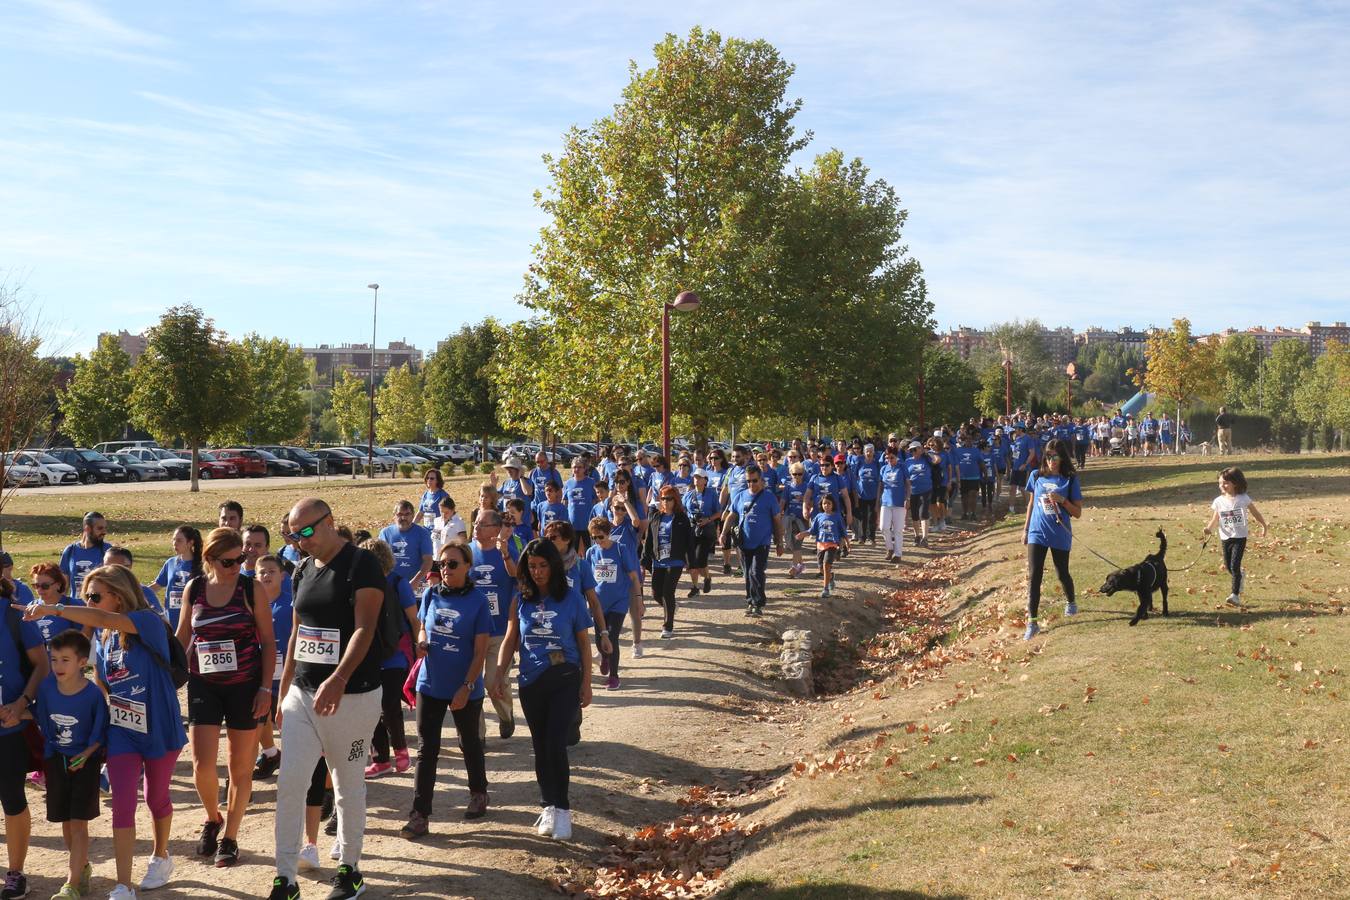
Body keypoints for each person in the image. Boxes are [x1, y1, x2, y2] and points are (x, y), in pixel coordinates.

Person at [22, 564, 184, 898]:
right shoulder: (105, 636)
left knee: (156, 799)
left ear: (119, 594)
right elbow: (104, 683)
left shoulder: (147, 621)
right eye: (86, 597)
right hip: (123, 731)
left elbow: (107, 620)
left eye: (95, 597)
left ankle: (161, 855)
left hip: (160, 726)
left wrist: (54, 608)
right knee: (123, 803)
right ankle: (124, 884)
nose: (91, 604)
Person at [268, 499, 386, 900]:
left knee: (346, 785)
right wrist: (283, 692)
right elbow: (299, 634)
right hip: (303, 695)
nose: (300, 542)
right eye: (293, 535)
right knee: (290, 785)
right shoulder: (301, 568)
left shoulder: (361, 565)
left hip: (352, 696)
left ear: (330, 523)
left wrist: (339, 678)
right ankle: (285, 878)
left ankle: (350, 870)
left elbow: (365, 629)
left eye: (307, 532)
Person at [175, 527, 276, 868]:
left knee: (240, 768)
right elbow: (182, 636)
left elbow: (269, 641)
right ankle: (212, 817)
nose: (238, 566)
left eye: (242, 559)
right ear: (210, 559)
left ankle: (231, 837)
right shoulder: (196, 588)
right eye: (229, 561)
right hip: (203, 684)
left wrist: (265, 689)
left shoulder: (251, 588)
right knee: (202, 766)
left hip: (244, 686)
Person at [489, 539, 593, 842]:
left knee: (555, 744)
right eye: (532, 566)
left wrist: (585, 683)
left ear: (554, 566)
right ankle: (547, 805)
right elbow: (510, 639)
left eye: (543, 565)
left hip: (565, 675)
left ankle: (563, 809)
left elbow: (584, 644)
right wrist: (498, 675)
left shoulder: (571, 598)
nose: (537, 572)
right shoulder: (520, 599)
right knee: (539, 746)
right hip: (531, 681)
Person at [403, 542, 492, 839]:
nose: (445, 569)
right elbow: (422, 626)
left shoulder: (478, 601)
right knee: (426, 749)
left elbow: (480, 652)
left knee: (469, 743)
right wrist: (423, 641)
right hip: (431, 683)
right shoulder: (430, 594)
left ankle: (479, 792)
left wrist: (466, 687)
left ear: (468, 566)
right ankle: (420, 814)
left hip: (464, 685)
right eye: (442, 564)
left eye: (453, 564)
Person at [29, 629, 106, 900]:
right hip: (56, 761)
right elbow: (41, 717)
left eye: (65, 660)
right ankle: (82, 868)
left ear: (82, 662)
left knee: (78, 823)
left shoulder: (93, 695)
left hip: (85, 761)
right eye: (54, 659)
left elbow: (100, 733)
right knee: (64, 821)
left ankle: (71, 884)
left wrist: (86, 754)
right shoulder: (48, 686)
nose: (58, 666)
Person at [0, 573, 50, 900]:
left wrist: (22, 703)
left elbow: (42, 666)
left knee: (12, 797)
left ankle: (16, 873)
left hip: (9, 726)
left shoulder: (12, 613)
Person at [360, 539, 420, 779]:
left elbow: (414, 620)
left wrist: (418, 651)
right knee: (372, 708)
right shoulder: (360, 584)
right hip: (369, 654)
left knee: (390, 706)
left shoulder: (397, 583)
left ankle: (401, 751)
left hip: (395, 654)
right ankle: (381, 760)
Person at [1021, 439, 1083, 640]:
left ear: (1062, 457)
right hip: (1037, 533)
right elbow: (1031, 504)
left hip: (1060, 533)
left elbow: (1078, 512)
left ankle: (1071, 602)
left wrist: (1063, 500)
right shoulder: (1036, 475)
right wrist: (1025, 529)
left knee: (1062, 572)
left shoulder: (1070, 479)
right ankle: (1032, 622)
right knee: (1034, 576)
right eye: (1048, 456)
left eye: (1055, 456)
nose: (1051, 460)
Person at [722, 464, 785, 617]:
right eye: (748, 481)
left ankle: (758, 603)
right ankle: (750, 601)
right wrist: (723, 533)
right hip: (744, 542)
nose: (751, 484)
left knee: (756, 572)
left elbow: (777, 521)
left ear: (761, 480)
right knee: (747, 573)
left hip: (762, 542)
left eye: (754, 480)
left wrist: (779, 542)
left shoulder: (769, 497)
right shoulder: (740, 495)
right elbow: (732, 516)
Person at [586, 518, 641, 689]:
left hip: (618, 602)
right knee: (598, 639)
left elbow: (633, 576)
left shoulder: (620, 549)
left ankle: (614, 676)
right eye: (594, 537)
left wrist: (639, 599)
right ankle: (604, 657)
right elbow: (587, 580)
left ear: (608, 534)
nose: (598, 541)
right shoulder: (591, 552)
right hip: (598, 604)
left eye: (600, 537)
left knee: (612, 637)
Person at [1203, 467, 1268, 608]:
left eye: (1226, 483)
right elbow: (1215, 518)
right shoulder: (1218, 501)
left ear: (1235, 483)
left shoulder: (1243, 498)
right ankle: (1240, 575)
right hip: (1225, 537)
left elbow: (1255, 513)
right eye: (1220, 483)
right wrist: (1208, 529)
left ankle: (1235, 595)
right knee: (1228, 566)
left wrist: (1263, 525)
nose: (1222, 486)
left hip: (1240, 537)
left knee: (1234, 565)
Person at [254, 554, 292, 780]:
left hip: (286, 675)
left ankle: (294, 768)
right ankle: (270, 754)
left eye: (271, 571)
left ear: (282, 575)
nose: (266, 575)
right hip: (259, 675)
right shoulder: (251, 605)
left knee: (286, 723)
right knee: (260, 720)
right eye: (262, 572)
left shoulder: (290, 604)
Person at [641, 486, 692, 639]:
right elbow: (648, 540)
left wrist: (691, 562)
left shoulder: (682, 518)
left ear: (675, 500)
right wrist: (644, 561)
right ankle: (671, 607)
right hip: (658, 561)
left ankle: (667, 626)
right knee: (657, 593)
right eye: (663, 498)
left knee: (668, 592)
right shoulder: (656, 517)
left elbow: (689, 541)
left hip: (675, 560)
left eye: (669, 498)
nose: (665, 501)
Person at [379, 501, 434, 594]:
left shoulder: (422, 533)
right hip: (391, 585)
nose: (403, 517)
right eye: (400, 514)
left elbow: (428, 561)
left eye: (407, 514)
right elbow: (380, 560)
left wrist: (415, 581)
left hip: (417, 585)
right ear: (394, 516)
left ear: (413, 516)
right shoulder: (385, 533)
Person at [799, 494, 847, 598]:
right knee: (821, 568)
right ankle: (830, 577)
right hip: (820, 545)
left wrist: (846, 544)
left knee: (826, 565)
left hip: (832, 545)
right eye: (824, 503)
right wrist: (803, 534)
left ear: (833, 504)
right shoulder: (819, 516)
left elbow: (843, 532)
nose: (826, 505)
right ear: (821, 505)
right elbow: (812, 530)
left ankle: (825, 589)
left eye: (829, 503)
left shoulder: (837, 517)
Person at [154, 525, 202, 629]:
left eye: (179, 540)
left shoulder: (202, 565)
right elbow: (156, 586)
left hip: (192, 623)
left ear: (190, 543)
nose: (174, 543)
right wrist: (136, 592)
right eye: (174, 540)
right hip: (171, 621)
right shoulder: (170, 563)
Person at [26, 563, 85, 646]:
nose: (39, 590)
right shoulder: (31, 607)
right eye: (36, 585)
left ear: (58, 584)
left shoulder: (75, 605)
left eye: (45, 586)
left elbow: (86, 639)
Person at [682, 469, 721, 594]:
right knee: (691, 562)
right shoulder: (688, 494)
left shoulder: (712, 494)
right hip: (691, 530)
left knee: (700, 560)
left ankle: (707, 577)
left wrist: (708, 519)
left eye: (699, 477)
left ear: (705, 480)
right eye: (695, 477)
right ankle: (695, 587)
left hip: (706, 532)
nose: (696, 480)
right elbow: (682, 510)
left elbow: (719, 512)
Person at [60, 512, 107, 601]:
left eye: (105, 528)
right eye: (100, 528)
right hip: (75, 609)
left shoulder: (107, 551)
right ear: (87, 528)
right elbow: (63, 587)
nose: (104, 532)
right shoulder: (70, 550)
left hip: (98, 609)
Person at [878, 447, 909, 563]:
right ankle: (890, 548)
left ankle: (898, 554)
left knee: (898, 530)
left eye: (892, 457)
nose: (890, 460)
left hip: (899, 502)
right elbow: (880, 486)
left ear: (897, 457)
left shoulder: (902, 467)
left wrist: (908, 498)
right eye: (887, 458)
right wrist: (878, 500)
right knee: (883, 527)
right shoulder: (883, 469)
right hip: (885, 501)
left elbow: (908, 484)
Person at [779, 463, 810, 578]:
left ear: (803, 474)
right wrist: (778, 514)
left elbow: (812, 503)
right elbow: (783, 501)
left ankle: (794, 569)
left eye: (799, 474)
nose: (797, 476)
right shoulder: (788, 487)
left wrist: (803, 500)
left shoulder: (807, 486)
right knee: (792, 545)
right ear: (790, 474)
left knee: (797, 545)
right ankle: (801, 565)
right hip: (789, 519)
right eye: (794, 474)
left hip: (801, 520)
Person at [563, 461, 598, 551]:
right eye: (574, 467)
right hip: (573, 524)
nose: (577, 469)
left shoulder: (591, 482)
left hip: (588, 524)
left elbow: (596, 500)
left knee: (590, 551)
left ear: (584, 469)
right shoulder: (568, 483)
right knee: (572, 552)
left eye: (579, 467)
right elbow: (565, 501)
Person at [903, 441, 933, 548]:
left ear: (920, 449)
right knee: (915, 515)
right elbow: (905, 477)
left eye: (916, 449)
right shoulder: (907, 462)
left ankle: (925, 538)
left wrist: (926, 453)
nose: (914, 451)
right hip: (913, 491)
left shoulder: (926, 458)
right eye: (912, 450)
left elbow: (937, 460)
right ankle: (917, 536)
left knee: (923, 513)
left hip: (926, 490)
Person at [852, 445, 881, 545]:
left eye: (870, 451)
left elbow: (879, 481)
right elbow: (855, 478)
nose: (868, 453)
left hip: (873, 495)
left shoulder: (876, 464)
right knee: (862, 517)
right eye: (867, 451)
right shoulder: (860, 463)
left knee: (872, 517)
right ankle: (861, 537)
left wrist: (878, 496)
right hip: (862, 495)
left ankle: (871, 537)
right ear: (864, 453)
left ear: (873, 452)